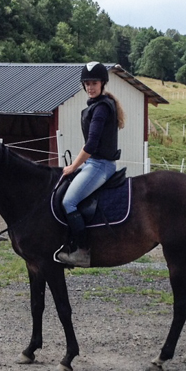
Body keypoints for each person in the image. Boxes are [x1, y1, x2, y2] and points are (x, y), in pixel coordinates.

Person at [54, 61, 125, 267]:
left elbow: (92, 145)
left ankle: (83, 251)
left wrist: (73, 166)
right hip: (94, 163)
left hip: (100, 165)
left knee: (69, 202)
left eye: (94, 83)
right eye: (87, 83)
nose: (90, 87)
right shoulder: (97, 105)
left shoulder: (101, 108)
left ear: (102, 83)